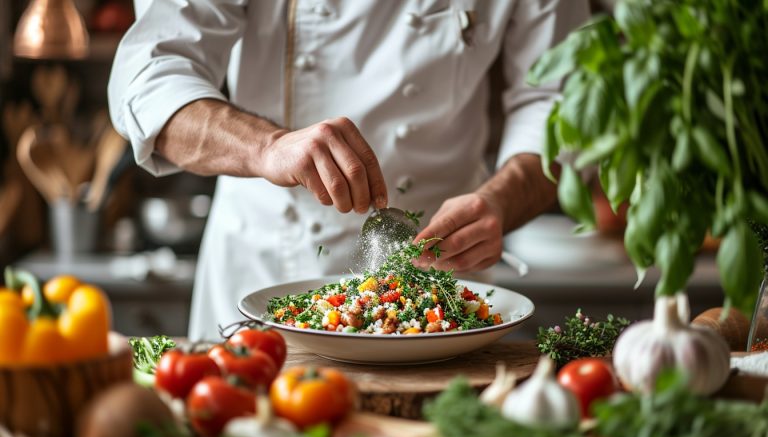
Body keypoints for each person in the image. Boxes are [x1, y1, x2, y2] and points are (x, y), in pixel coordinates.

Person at [108, 1, 590, 341]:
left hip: (445, 289)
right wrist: (268, 146)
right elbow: (148, 80)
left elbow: (561, 105)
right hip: (267, 273)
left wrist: (503, 200)